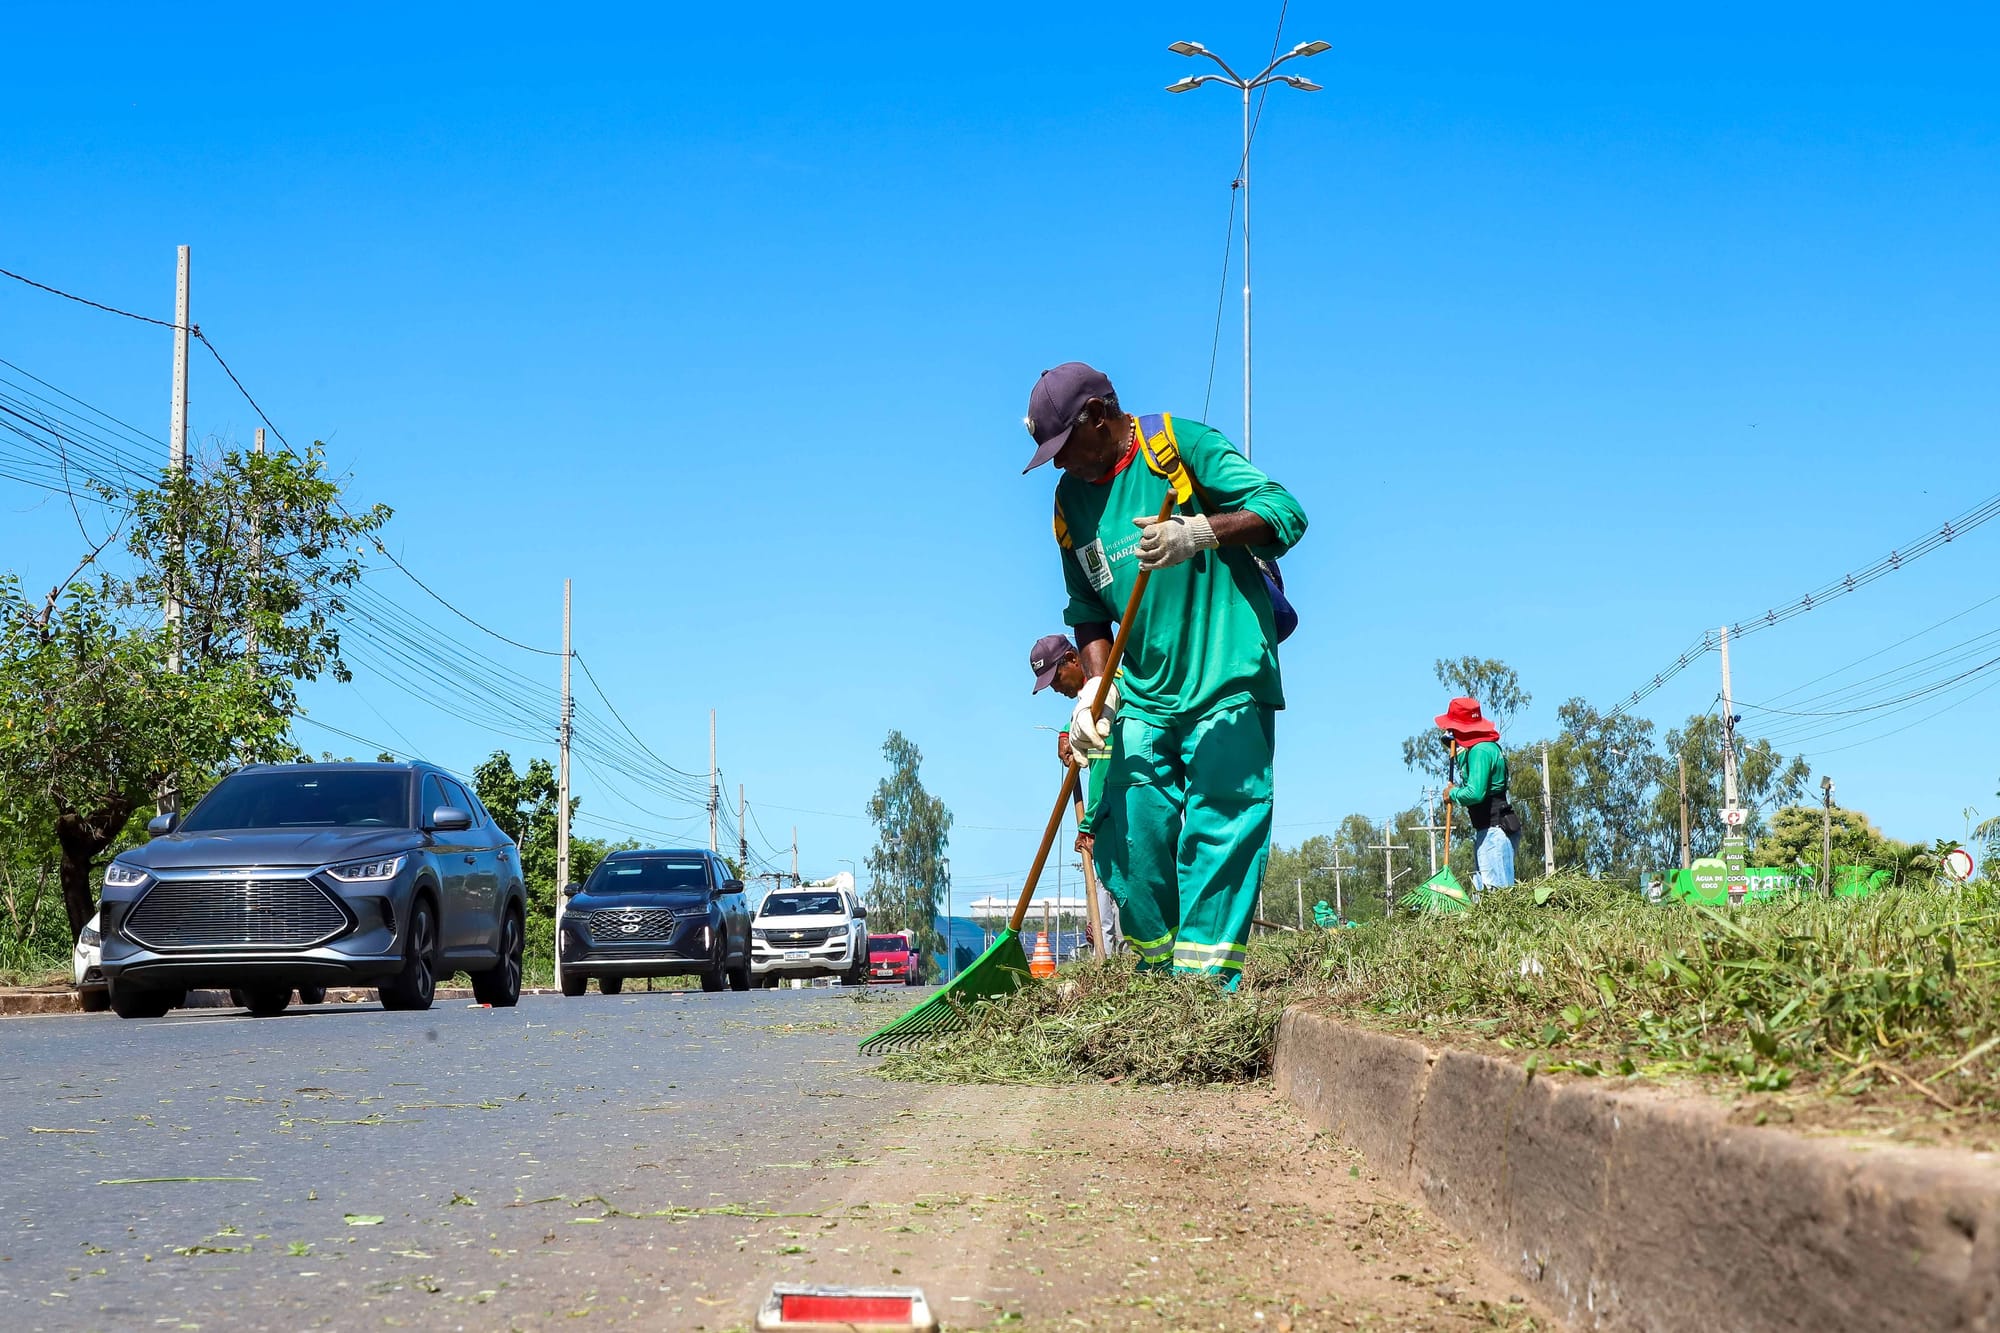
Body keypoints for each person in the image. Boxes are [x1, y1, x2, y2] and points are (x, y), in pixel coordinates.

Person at [1022, 362, 1307, 986]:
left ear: (1099, 415)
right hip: (1145, 694)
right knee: (1130, 829)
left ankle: (1203, 994)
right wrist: (1097, 686)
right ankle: (1162, 976)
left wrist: (1201, 532)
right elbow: (1089, 608)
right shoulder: (1069, 501)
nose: (1062, 466)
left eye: (1064, 449)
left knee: (1220, 826)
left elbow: (1285, 513)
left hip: (1225, 673)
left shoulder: (1178, 446)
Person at [1028, 633, 1121, 952]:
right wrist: (1068, 732)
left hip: (1123, 817)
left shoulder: (1106, 692)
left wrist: (1088, 824)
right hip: (1112, 818)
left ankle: (1136, 980)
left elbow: (1104, 771)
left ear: (1072, 658)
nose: (1055, 687)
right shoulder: (1091, 701)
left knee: (1128, 915)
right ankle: (1114, 977)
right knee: (1108, 918)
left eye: (1056, 677)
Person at [1436, 696, 1522, 893]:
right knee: (1484, 894)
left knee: (1497, 896)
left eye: (1453, 728)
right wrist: (1459, 752)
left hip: (1494, 830)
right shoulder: (1484, 747)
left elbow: (1475, 793)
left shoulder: (1480, 751)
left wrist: (1453, 794)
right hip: (1489, 829)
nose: (1450, 732)